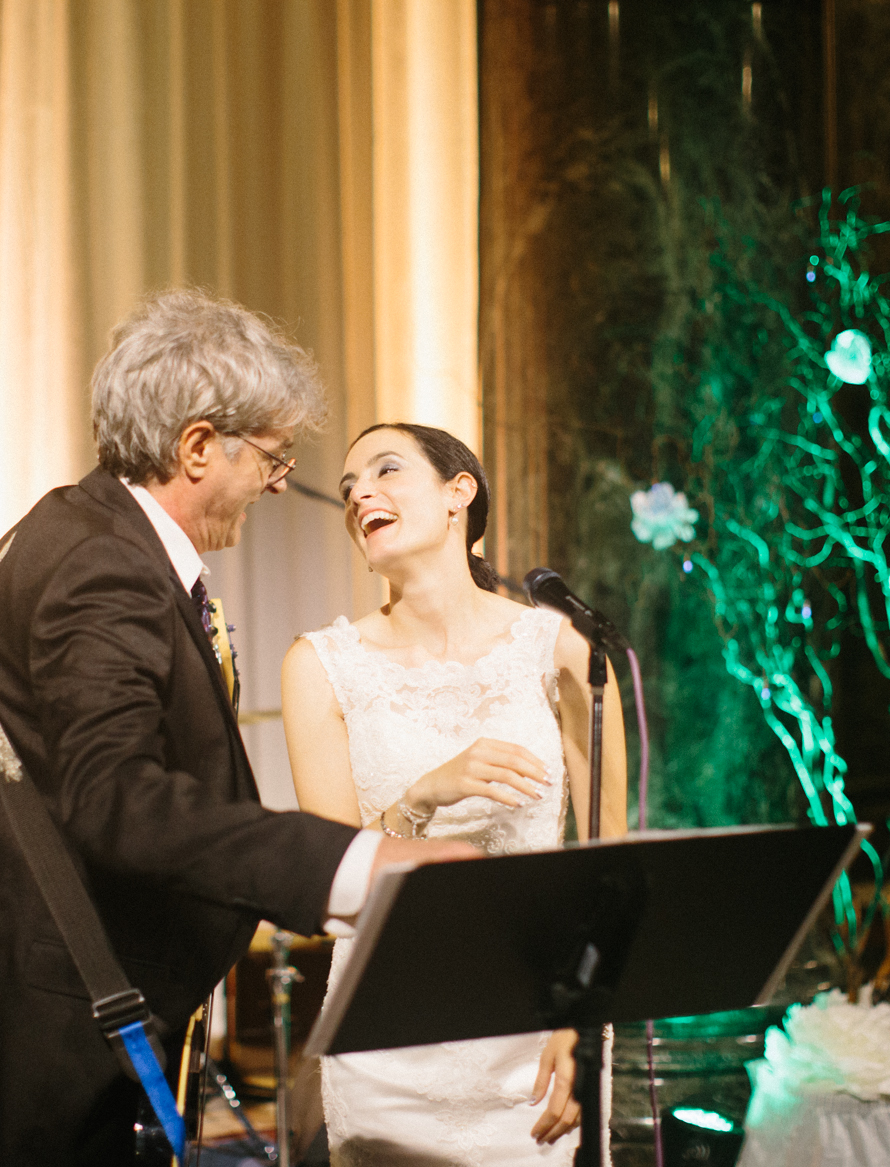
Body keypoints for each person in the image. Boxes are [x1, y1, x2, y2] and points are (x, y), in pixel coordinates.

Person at [0, 290, 473, 1166]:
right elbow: (118, 800)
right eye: (273, 457)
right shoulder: (100, 565)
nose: (278, 483)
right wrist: (361, 862)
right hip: (48, 1058)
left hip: (39, 1029)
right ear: (198, 446)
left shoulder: (80, 532)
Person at [282, 422, 629, 1166]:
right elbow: (326, 871)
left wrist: (584, 1024)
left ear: (458, 492)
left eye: (385, 470)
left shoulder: (563, 648)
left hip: (539, 1031)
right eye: (349, 488)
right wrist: (422, 795)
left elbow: (611, 868)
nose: (359, 495)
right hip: (391, 1035)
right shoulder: (320, 665)